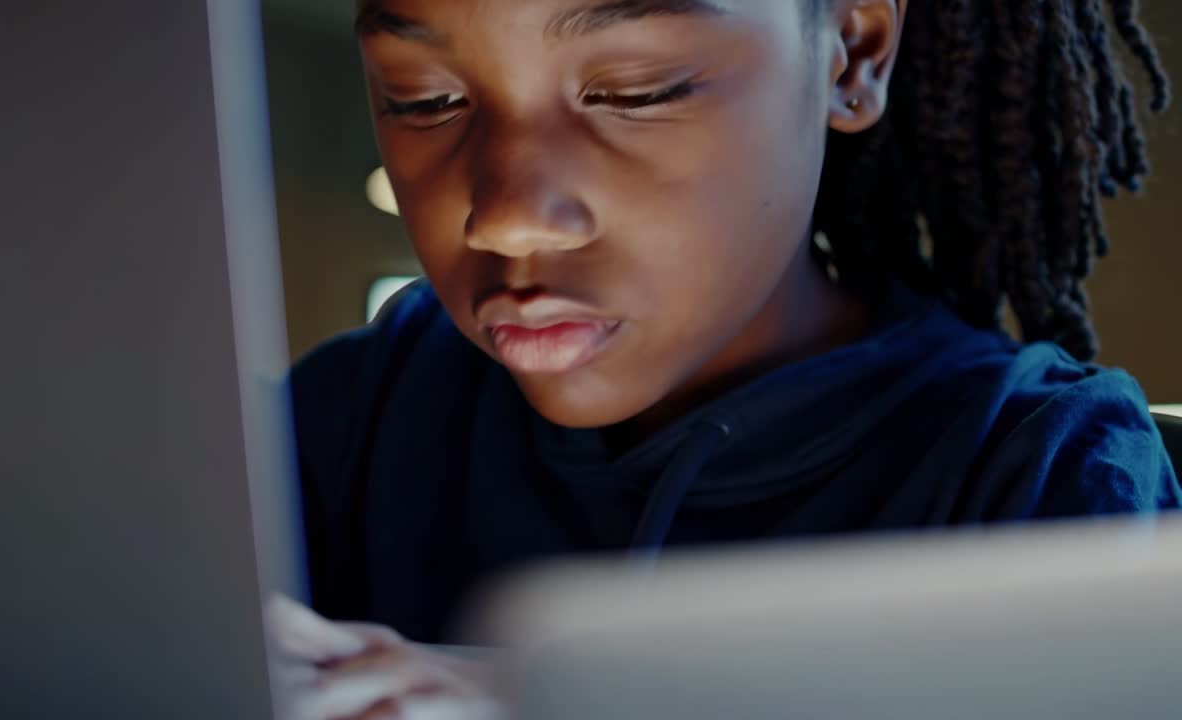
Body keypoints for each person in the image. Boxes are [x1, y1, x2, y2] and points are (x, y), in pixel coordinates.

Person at [270, 1, 1182, 717]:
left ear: (854, 53)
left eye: (636, 88)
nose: (509, 215)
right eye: (423, 98)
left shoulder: (1036, 467)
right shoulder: (350, 415)